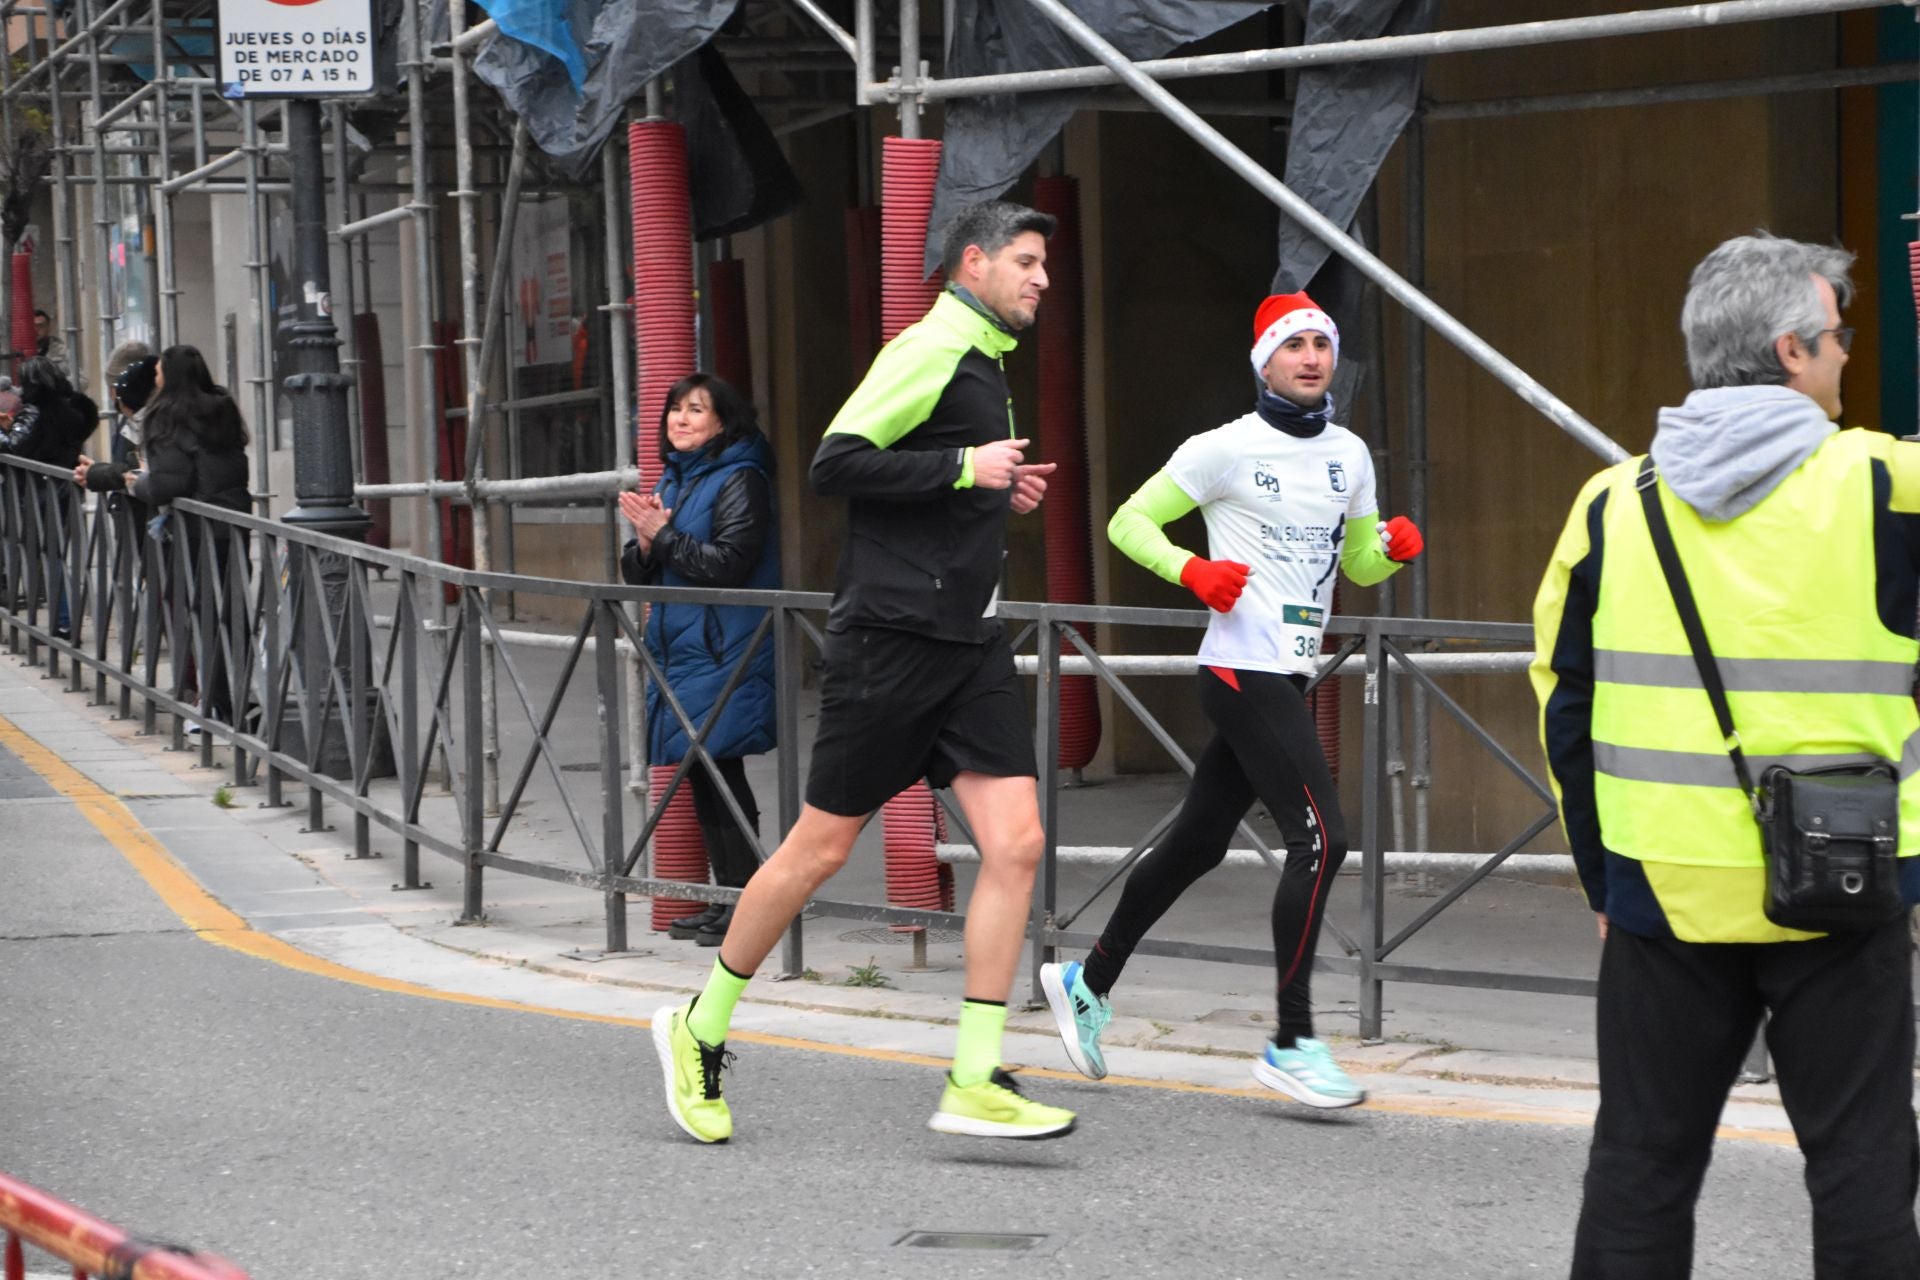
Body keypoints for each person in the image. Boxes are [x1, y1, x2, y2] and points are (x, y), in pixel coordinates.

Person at [1532, 232, 1920, 1278]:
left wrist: (1604, 873)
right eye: (1837, 337)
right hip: (1849, 879)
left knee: (1641, 1164)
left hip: (1663, 890)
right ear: (1792, 352)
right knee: (1864, 1164)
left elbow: (1564, 700)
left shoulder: (1614, 503)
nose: (1847, 354)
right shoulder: (1889, 486)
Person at [652, 200, 1069, 1145]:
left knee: (1016, 844)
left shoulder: (985, 363)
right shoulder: (929, 347)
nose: (1043, 279)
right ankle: (699, 1025)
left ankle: (972, 1077)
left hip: (966, 643)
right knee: (820, 850)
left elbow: (936, 480)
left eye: (1045, 264)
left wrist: (994, 483)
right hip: (890, 638)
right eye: (1029, 261)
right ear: (976, 263)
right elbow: (836, 463)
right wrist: (967, 469)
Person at [1035, 293, 1422, 1107]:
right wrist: (1194, 573)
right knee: (1322, 840)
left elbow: (1354, 564)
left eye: (1322, 343)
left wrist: (1389, 552)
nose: (1312, 357)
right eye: (1295, 346)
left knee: (1196, 845)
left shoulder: (1349, 455)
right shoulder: (1223, 449)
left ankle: (1087, 977)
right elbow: (1129, 521)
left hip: (1290, 671)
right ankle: (1291, 1041)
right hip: (1240, 668)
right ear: (1265, 362)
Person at [619, 373, 778, 948]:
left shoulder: (741, 478)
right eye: (674, 410)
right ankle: (731, 899)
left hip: (722, 646)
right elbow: (646, 570)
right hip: (684, 646)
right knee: (702, 771)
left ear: (722, 422)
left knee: (720, 770)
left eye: (695, 410)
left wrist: (660, 537)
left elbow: (729, 562)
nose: (680, 420)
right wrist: (643, 545)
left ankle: (747, 904)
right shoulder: (681, 478)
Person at [78, 345, 251, 724]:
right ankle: (238, 701)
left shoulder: (169, 418)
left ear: (170, 377)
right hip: (234, 524)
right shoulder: (222, 407)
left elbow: (168, 484)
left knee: (197, 616)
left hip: (194, 533)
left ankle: (215, 708)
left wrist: (134, 482)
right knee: (231, 614)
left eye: (158, 372)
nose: (155, 378)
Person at [0, 357, 98, 637]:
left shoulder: (35, 410)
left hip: (38, 493)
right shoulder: (74, 408)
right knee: (53, 555)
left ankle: (63, 619)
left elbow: (15, 447)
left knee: (44, 557)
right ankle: (63, 619)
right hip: (66, 488)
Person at [33, 310, 69, 376]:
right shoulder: (18, 351)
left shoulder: (61, 351)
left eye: (40, 326)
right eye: (32, 326)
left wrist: (58, 382)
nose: (36, 330)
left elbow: (81, 380)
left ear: (49, 328)